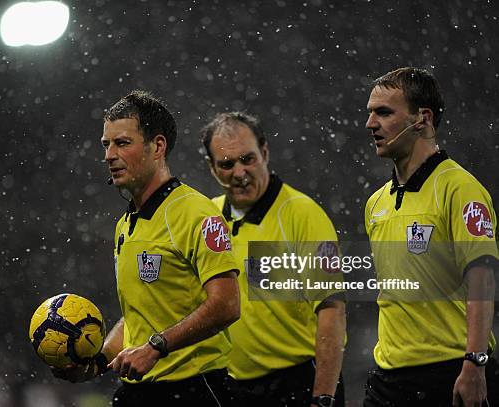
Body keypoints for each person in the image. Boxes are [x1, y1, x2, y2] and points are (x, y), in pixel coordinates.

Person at [53, 90, 241, 407]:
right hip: (139, 392)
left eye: (122, 143)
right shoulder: (125, 225)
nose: (109, 155)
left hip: (195, 390)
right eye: (106, 144)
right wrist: (97, 363)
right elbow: (137, 319)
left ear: (157, 146)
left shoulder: (198, 213)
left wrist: (156, 347)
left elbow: (227, 305)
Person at [364, 67, 498, 406]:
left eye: (383, 112)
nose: (370, 124)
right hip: (388, 379)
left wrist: (475, 362)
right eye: (370, 113)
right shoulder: (375, 203)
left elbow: (483, 279)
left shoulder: (460, 189)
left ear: (422, 118)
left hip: (448, 373)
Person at [200, 112, 346, 407]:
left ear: (265, 152)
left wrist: (323, 398)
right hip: (232, 389)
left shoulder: (302, 215)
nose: (239, 172)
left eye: (247, 159)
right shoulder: (208, 220)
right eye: (227, 164)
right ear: (212, 168)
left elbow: (332, 313)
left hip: (298, 385)